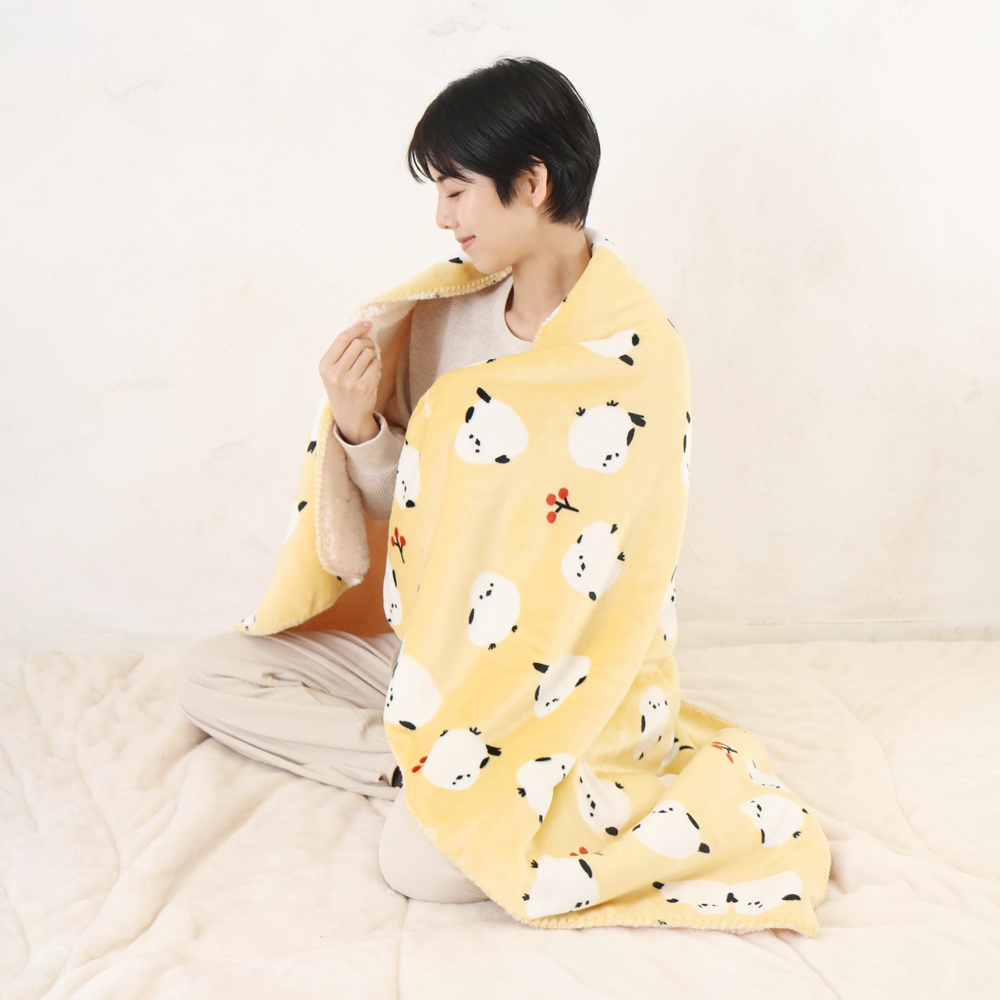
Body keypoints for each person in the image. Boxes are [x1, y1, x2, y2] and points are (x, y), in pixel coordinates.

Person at [173, 55, 602, 904]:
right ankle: (413, 767)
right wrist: (359, 423)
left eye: (457, 189)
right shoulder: (440, 322)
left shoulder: (629, 350)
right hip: (424, 650)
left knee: (422, 871)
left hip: (547, 677)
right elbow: (396, 512)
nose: (443, 217)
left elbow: (626, 568)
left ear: (532, 182)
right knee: (208, 673)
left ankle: (480, 774)